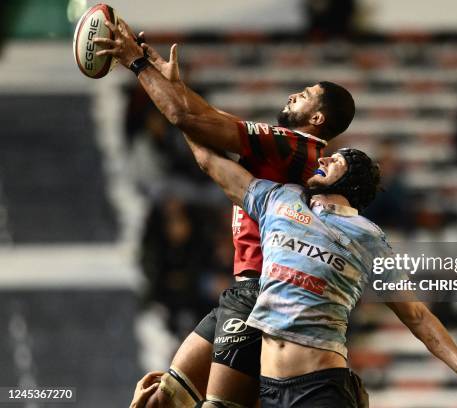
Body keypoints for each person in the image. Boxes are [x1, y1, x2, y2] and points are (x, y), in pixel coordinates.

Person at [94, 19, 356, 408]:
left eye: (303, 96)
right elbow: (202, 127)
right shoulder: (291, 154)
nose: (292, 96)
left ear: (317, 119)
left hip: (262, 294)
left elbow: (192, 120)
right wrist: (172, 87)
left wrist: (136, 62)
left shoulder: (294, 146)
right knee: (160, 398)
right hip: (244, 292)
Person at [188, 142, 457, 406]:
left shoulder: (368, 237)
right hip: (268, 387)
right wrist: (178, 112)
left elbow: (416, 315)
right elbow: (210, 162)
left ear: (352, 182)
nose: (322, 160)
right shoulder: (280, 199)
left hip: (320, 387)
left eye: (336, 160)